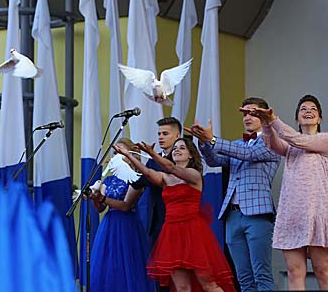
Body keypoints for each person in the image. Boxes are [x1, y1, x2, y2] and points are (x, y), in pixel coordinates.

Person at [184, 97, 281, 292]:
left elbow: (247, 154)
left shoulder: (272, 141)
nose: (247, 117)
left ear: (263, 115)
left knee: (261, 273)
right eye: (244, 113)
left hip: (257, 214)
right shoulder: (238, 143)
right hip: (232, 215)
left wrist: (213, 139)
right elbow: (214, 160)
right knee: (243, 276)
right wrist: (203, 143)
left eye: (252, 112)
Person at [247, 94, 328, 290]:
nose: (308, 111)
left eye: (313, 109)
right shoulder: (290, 146)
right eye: (303, 110)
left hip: (317, 213)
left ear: (320, 118)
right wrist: (266, 124)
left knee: (323, 270)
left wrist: (274, 120)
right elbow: (272, 143)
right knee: (294, 272)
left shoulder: (327, 139)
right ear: (297, 119)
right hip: (292, 214)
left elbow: (298, 140)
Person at [114, 138, 236, 292]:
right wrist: (129, 155)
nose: (177, 150)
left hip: (193, 232)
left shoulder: (194, 174)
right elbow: (147, 172)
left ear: (191, 155)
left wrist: (152, 154)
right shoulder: (166, 178)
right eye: (175, 148)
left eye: (182, 148)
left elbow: (171, 167)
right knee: (182, 287)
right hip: (172, 233)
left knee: (208, 283)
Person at [88, 138, 154, 292]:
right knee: (108, 265)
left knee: (127, 265)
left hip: (126, 225)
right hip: (109, 225)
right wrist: (94, 198)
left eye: (121, 152)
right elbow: (100, 208)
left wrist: (102, 198)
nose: (117, 155)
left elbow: (126, 206)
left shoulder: (136, 178)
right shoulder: (109, 179)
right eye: (116, 152)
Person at [132, 117, 182, 249]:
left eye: (165, 134)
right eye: (159, 134)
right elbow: (139, 182)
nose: (160, 137)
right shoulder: (152, 161)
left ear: (177, 136)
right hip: (156, 220)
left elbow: (162, 180)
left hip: (177, 220)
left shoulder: (181, 159)